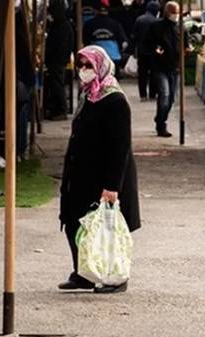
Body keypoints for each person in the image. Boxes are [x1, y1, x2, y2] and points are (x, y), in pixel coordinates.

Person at [58, 45, 140, 293]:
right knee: (76, 222)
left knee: (106, 227)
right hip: (81, 172)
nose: (83, 71)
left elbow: (120, 146)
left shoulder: (114, 99)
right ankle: (84, 273)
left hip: (104, 175)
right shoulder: (88, 95)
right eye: (81, 66)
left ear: (101, 67)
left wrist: (112, 185)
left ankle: (115, 277)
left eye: (88, 66)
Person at [145, 1, 188, 137]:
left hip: (174, 68)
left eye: (177, 13)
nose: (176, 16)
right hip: (160, 67)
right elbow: (148, 43)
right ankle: (161, 124)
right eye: (174, 13)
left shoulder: (181, 28)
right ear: (167, 12)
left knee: (170, 100)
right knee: (165, 95)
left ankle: (161, 119)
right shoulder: (156, 26)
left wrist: (186, 50)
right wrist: (156, 49)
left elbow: (186, 44)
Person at [45, 0, 74, 121]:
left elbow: (58, 45)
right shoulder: (64, 25)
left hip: (57, 60)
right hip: (60, 60)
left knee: (57, 84)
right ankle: (58, 109)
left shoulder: (60, 26)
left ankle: (61, 110)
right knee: (57, 83)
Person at [83, 4, 129, 75]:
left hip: (96, 55)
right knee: (113, 78)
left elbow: (85, 41)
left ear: (96, 11)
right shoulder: (115, 23)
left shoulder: (89, 24)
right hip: (113, 56)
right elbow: (123, 41)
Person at [133, 1, 160, 102]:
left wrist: (134, 50)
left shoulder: (139, 19)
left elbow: (135, 36)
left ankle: (143, 95)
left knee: (142, 74)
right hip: (153, 52)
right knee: (154, 73)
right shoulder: (157, 21)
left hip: (142, 51)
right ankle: (152, 94)